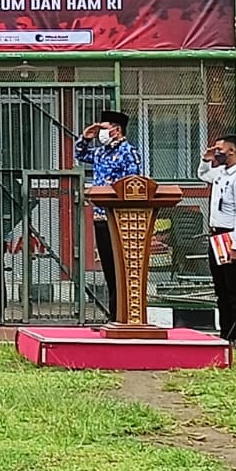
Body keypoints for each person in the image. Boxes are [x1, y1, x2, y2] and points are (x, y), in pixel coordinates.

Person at [73, 109, 143, 321]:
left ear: (116, 130)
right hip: (100, 217)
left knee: (121, 268)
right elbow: (80, 155)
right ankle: (114, 315)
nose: (100, 133)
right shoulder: (101, 153)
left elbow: (133, 185)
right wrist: (86, 137)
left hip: (119, 217)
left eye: (103, 128)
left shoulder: (128, 153)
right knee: (108, 267)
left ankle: (122, 314)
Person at [199, 134, 236, 350]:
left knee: (235, 289)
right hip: (215, 236)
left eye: (219, 150)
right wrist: (206, 159)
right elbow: (203, 174)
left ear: (231, 150)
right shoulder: (221, 173)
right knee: (220, 289)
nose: (217, 153)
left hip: (231, 236)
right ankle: (224, 332)